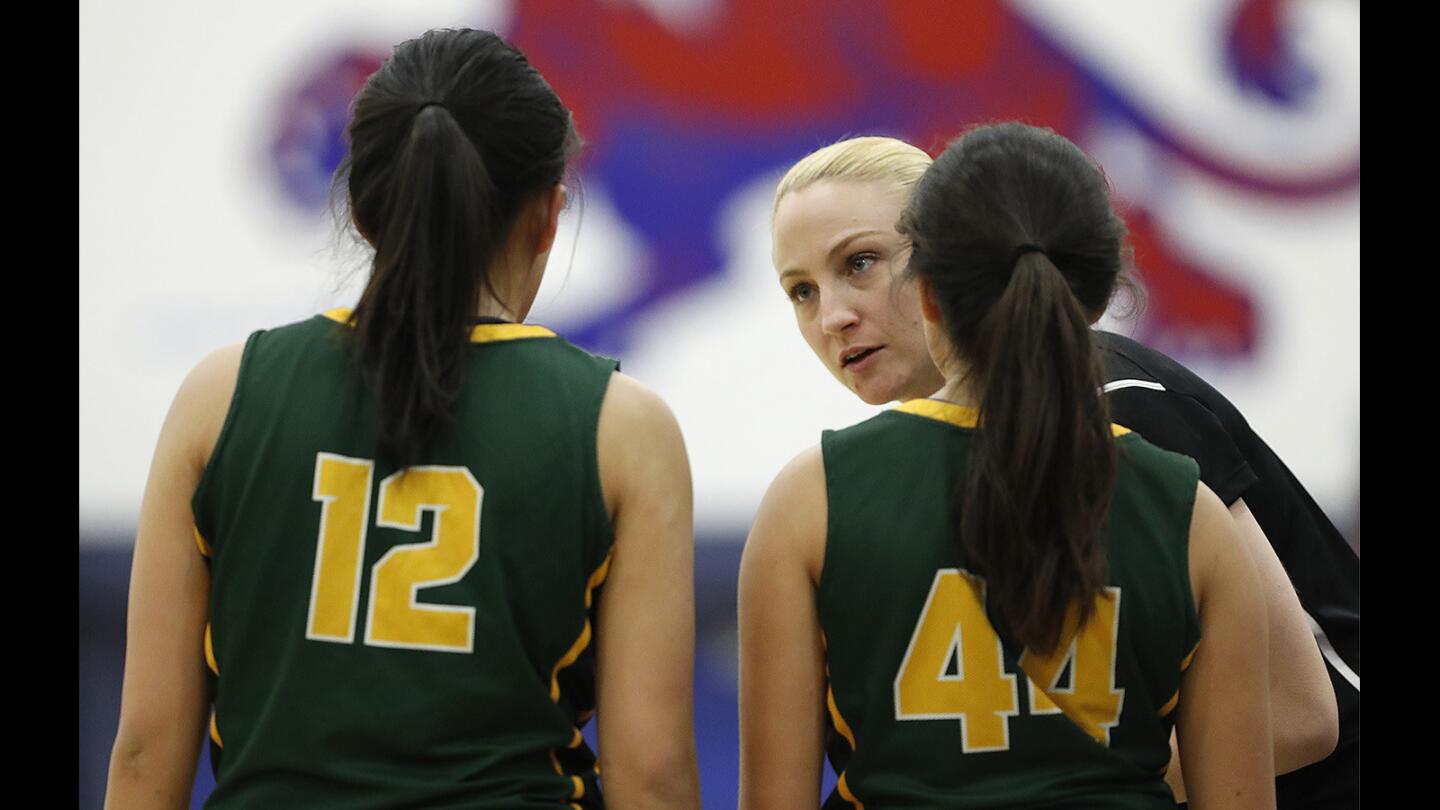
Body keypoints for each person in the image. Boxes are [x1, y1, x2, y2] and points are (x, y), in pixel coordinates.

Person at [105, 28, 701, 809]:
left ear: (360, 210)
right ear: (548, 215)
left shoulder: (221, 395)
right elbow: (650, 774)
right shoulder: (623, 427)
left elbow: (148, 752)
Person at [766, 134, 1355, 806]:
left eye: (861, 263)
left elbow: (1302, 716)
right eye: (801, 291)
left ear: (944, 259)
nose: (833, 316)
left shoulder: (1112, 401)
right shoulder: (884, 470)